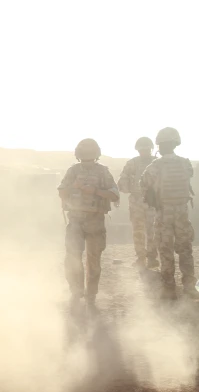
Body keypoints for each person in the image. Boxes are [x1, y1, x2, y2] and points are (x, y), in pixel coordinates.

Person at [57, 139, 119, 308]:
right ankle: (77, 292)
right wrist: (74, 187)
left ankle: (90, 294)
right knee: (73, 258)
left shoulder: (103, 172)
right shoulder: (73, 171)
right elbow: (62, 193)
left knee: (93, 259)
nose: (87, 157)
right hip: (76, 220)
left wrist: (96, 191)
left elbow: (114, 195)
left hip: (95, 221)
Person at [140, 127, 196, 298]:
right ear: (175, 143)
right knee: (185, 249)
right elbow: (189, 176)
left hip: (164, 213)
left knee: (165, 250)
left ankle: (169, 287)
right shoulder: (185, 163)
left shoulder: (154, 166)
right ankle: (189, 286)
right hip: (182, 213)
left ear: (160, 145)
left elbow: (143, 185)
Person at [117, 137, 158, 269]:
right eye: (143, 149)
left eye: (145, 149)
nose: (144, 151)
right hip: (142, 201)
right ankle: (142, 258)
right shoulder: (153, 163)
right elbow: (122, 184)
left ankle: (150, 258)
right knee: (140, 230)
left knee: (152, 230)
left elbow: (122, 184)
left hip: (150, 201)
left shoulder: (154, 163)